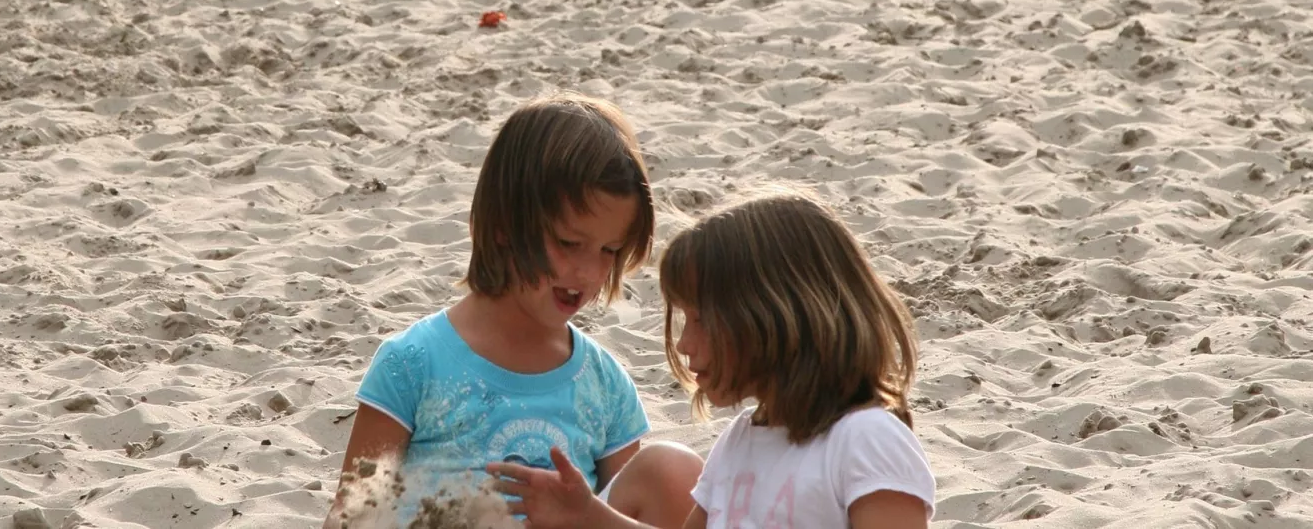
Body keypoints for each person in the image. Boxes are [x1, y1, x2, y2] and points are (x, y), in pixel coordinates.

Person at [321, 93, 703, 529]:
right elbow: (352, 516)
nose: (587, 270)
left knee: (672, 470)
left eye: (609, 251)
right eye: (568, 243)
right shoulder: (413, 364)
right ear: (504, 226)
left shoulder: (603, 384)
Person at [491, 192, 937, 529]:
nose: (684, 344)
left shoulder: (866, 440)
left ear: (777, 316)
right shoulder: (738, 443)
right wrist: (588, 513)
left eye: (700, 319)